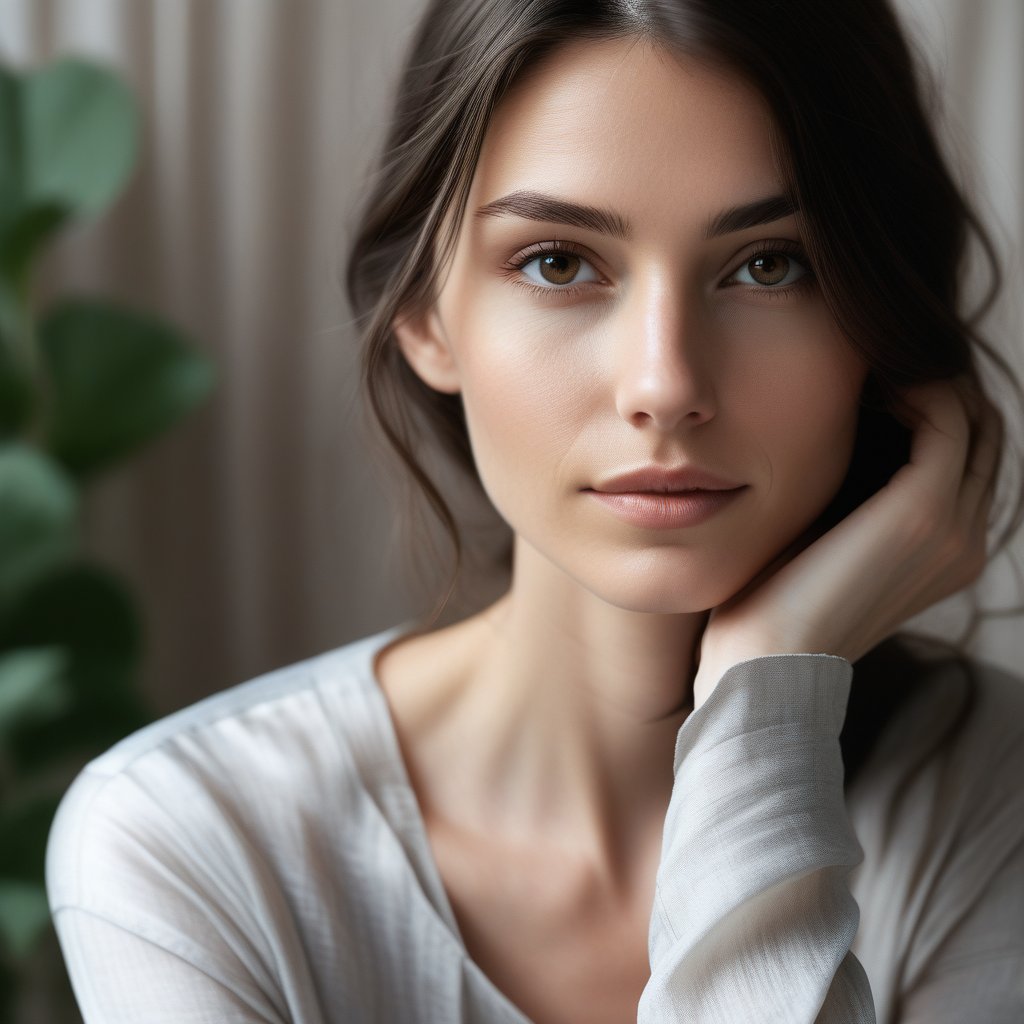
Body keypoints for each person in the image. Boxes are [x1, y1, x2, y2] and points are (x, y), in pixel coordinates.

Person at [46, 1, 1024, 1022]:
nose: (663, 381)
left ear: (880, 322)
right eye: (557, 261)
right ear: (426, 316)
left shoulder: (989, 794)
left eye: (768, 264)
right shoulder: (194, 841)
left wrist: (766, 702)